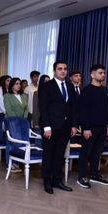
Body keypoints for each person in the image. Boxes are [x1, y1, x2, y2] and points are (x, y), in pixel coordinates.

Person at [38, 61, 77, 194]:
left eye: (65, 69)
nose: (63, 71)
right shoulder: (47, 86)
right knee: (48, 154)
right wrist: (46, 127)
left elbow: (73, 108)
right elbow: (43, 108)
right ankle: (47, 181)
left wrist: (74, 125)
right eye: (60, 69)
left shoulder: (70, 86)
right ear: (54, 71)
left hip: (65, 127)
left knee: (60, 155)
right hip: (51, 127)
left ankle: (57, 180)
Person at [76, 64, 108, 189]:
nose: (103, 75)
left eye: (104, 73)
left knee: (97, 153)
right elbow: (82, 111)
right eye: (100, 73)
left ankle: (94, 175)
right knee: (86, 153)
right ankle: (82, 177)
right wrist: (86, 128)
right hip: (90, 128)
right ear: (92, 75)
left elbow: (107, 110)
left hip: (102, 127)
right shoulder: (86, 91)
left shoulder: (105, 90)